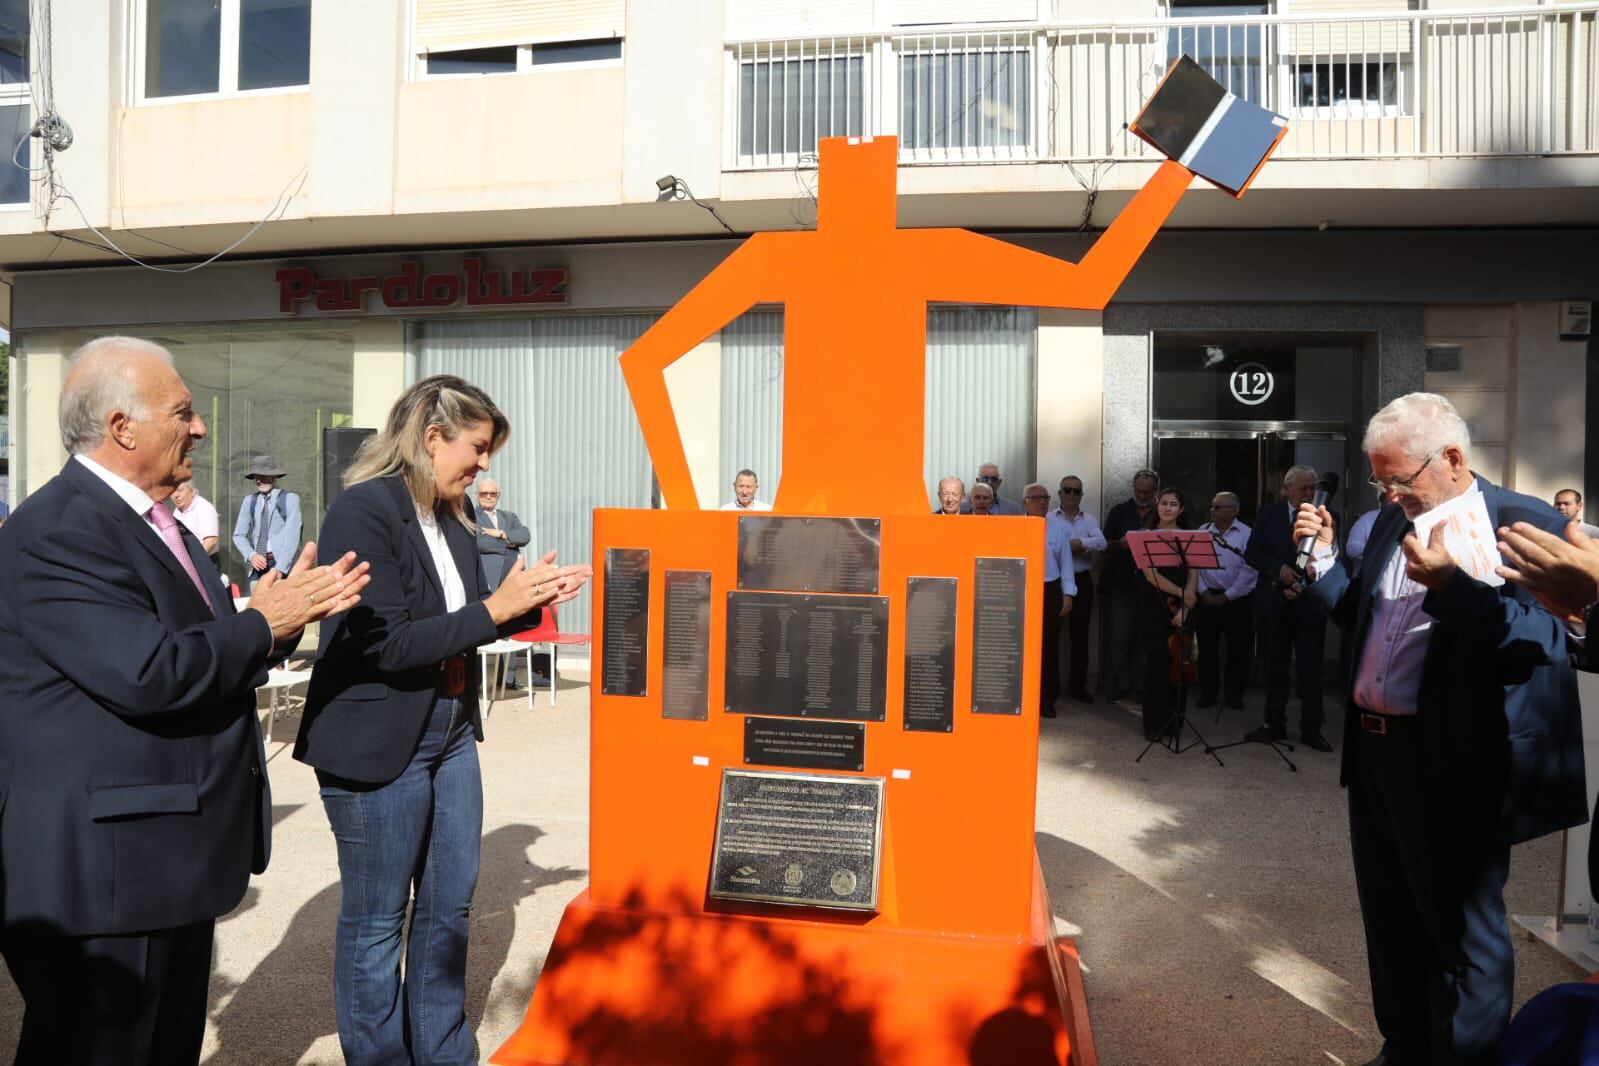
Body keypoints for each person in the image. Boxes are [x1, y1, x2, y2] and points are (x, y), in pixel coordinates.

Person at [0, 336, 368, 1066]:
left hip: (161, 857)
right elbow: (148, 671)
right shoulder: (59, 532)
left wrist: (268, 624)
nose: (200, 428)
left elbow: (203, 649)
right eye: (184, 412)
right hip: (105, 876)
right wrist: (266, 622)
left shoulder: (156, 523)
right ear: (121, 427)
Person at [294, 374, 590, 1066]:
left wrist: (526, 600)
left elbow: (457, 628)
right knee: (376, 924)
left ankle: (445, 1054)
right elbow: (388, 642)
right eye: (478, 448)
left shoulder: (452, 520)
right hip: (378, 741)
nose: (485, 465)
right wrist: (494, 607)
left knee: (448, 909)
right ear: (433, 439)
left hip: (449, 730)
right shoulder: (363, 512)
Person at [1293, 391, 1585, 1065]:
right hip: (1374, 752)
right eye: (1379, 481)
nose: (1389, 495)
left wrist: (1456, 590)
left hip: (1456, 760)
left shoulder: (1521, 522)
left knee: (1461, 936)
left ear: (1451, 457)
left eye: (1398, 480)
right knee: (1391, 920)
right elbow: (1363, 625)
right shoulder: (1390, 523)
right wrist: (1324, 563)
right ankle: (1404, 1048)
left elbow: (1543, 642)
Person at [1244, 464, 1333, 752]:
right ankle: (1274, 724)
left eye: (1313, 487)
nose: (1309, 493)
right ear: (1287, 488)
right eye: (1304, 488)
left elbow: (1330, 558)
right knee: (1276, 669)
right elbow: (1253, 553)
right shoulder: (1267, 515)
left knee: (1310, 669)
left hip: (1309, 603)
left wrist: (1303, 584)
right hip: (1274, 603)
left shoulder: (1326, 517)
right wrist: (1278, 569)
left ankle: (1312, 729)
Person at [1137, 487, 1198, 741]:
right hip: (1154, 605)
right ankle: (1153, 725)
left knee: (1179, 664)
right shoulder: (1144, 536)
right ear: (1157, 505)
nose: (1168, 508)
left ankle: (1174, 722)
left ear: (1181, 509)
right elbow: (1150, 575)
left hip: (1183, 607)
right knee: (1157, 665)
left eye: (1174, 504)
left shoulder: (1192, 538)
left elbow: (1194, 573)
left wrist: (1187, 605)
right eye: (1164, 503)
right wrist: (1183, 594)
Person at [1194, 492, 1257, 711]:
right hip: (1206, 597)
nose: (1213, 510)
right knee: (1206, 648)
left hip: (1237, 599)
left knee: (1239, 650)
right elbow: (1194, 566)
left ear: (1234, 510)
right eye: (1212, 506)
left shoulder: (1248, 534)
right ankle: (1208, 693)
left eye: (1219, 507)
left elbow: (1250, 571)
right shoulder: (1202, 532)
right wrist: (1202, 591)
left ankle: (1234, 695)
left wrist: (1227, 596)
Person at [1103, 469, 1159, 703]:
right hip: (1123, 584)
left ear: (1155, 490)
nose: (1143, 495)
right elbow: (1104, 544)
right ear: (1133, 488)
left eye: (1148, 491)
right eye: (1139, 490)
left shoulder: (1162, 512)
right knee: (1119, 637)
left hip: (1153, 587)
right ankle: (1121, 684)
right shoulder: (1119, 511)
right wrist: (1122, 544)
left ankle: (1144, 688)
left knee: (1148, 641)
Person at [1050, 474, 1106, 703]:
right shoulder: (1049, 518)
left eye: (1076, 491)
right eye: (1067, 490)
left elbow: (1101, 543)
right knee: (1051, 636)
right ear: (1059, 493)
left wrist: (1079, 543)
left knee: (1080, 637)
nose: (1071, 494)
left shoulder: (1089, 518)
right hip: (1055, 582)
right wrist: (1067, 547)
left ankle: (1078, 687)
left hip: (1081, 580)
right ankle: (1048, 689)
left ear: (1081, 495)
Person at [476, 477, 534, 689]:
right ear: (477, 495)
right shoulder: (470, 515)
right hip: (486, 578)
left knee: (510, 625)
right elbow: (479, 542)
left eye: (492, 493)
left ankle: (508, 679)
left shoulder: (509, 517)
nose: (489, 497)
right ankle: (479, 682)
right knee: (484, 624)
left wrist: (501, 534)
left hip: (511, 577)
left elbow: (525, 535)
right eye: (484, 494)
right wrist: (510, 543)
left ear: (498, 496)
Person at [1029, 482, 1076, 718]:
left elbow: (1066, 563)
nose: (1041, 502)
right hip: (1025, 590)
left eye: (1045, 498)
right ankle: (1026, 698)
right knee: (1025, 646)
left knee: (1049, 646)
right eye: (1035, 498)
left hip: (1050, 589)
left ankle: (1047, 698)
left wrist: (1068, 594)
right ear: (1025, 501)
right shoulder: (1017, 525)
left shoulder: (1058, 528)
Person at [232, 455, 303, 591]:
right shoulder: (250, 501)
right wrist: (251, 555)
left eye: (263, 475)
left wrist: (280, 569)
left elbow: (293, 537)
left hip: (283, 564)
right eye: (256, 476)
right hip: (258, 566)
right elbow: (238, 535)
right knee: (253, 607)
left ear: (274, 476)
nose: (259, 480)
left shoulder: (290, 499)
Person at [170, 477, 221, 572]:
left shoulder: (204, 508)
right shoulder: (178, 510)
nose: (176, 495)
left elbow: (211, 541)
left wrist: (193, 562)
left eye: (180, 490)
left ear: (192, 491)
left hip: (204, 561)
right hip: (186, 562)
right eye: (172, 491)